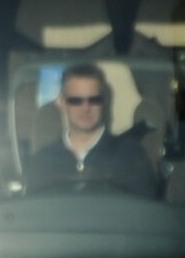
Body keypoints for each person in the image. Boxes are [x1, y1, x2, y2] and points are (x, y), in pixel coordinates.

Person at [25, 62, 160, 197]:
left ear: (104, 101)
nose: (86, 108)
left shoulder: (131, 157)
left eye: (94, 100)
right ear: (62, 103)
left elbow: (146, 213)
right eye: (76, 100)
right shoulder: (42, 162)